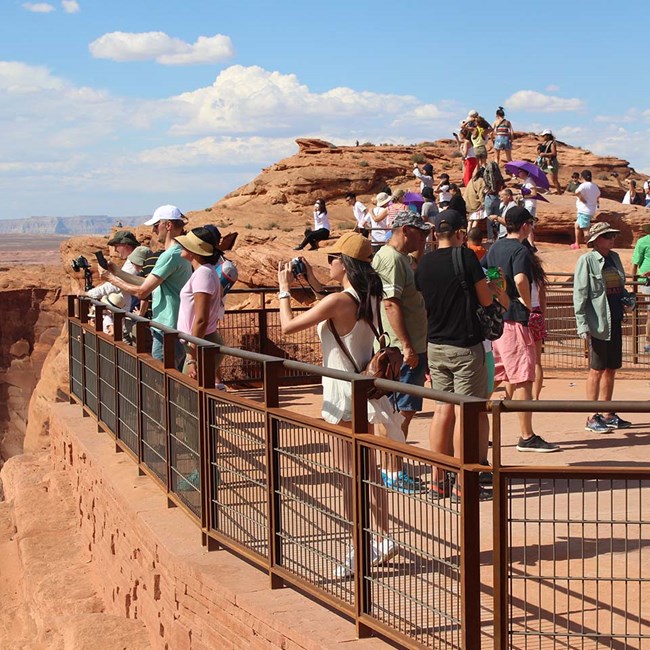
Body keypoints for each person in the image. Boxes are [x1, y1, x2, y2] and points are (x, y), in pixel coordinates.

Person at [277, 232, 403, 577]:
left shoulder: (340, 301)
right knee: (369, 470)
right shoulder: (369, 294)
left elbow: (287, 327)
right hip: (363, 391)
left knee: (349, 476)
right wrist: (314, 283)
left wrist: (283, 289)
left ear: (344, 264)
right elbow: (332, 306)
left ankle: (357, 549)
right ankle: (383, 536)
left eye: (333, 257)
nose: (328, 262)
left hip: (341, 395)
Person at [416, 209, 499, 500]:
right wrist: (495, 286)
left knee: (442, 410)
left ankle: (439, 481)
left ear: (436, 234)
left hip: (435, 345)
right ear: (461, 233)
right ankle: (465, 484)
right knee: (467, 412)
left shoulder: (423, 263)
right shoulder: (465, 258)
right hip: (465, 345)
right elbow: (485, 299)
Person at [483, 206, 560, 453]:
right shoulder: (520, 250)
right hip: (515, 320)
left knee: (493, 377)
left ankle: (479, 431)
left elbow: (488, 273)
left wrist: (499, 296)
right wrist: (525, 303)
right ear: (525, 225)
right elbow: (520, 279)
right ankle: (526, 436)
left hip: (497, 321)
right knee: (524, 378)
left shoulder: (495, 247)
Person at [372, 211, 430, 492]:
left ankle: (388, 468)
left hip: (405, 347)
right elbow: (391, 304)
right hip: (402, 350)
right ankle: (392, 471)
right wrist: (407, 345)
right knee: (401, 412)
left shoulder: (399, 259)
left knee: (395, 411)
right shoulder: (393, 259)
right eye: (421, 233)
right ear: (406, 230)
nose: (425, 238)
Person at [99, 205, 192, 369]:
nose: (155, 231)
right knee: (171, 376)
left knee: (163, 378)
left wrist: (111, 279)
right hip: (171, 324)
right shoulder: (178, 252)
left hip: (168, 326)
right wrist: (117, 272)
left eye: (156, 226)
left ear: (168, 225)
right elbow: (147, 282)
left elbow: (142, 292)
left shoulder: (170, 255)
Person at [574, 222, 634, 432]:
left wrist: (628, 299)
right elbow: (580, 293)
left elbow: (620, 286)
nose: (611, 239)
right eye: (607, 236)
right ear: (597, 240)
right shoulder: (587, 260)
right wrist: (581, 323)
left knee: (611, 368)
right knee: (596, 369)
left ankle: (607, 412)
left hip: (615, 319)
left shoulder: (614, 258)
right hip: (598, 322)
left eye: (612, 235)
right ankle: (592, 416)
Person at [174, 227, 224, 381]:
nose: (182, 247)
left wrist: (191, 358)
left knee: (186, 397)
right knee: (192, 397)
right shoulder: (205, 272)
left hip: (202, 344)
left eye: (186, 244)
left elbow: (201, 318)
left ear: (194, 250)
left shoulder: (203, 274)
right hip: (201, 342)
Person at [85, 230, 139, 307]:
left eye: (117, 246)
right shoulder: (131, 261)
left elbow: (117, 285)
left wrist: (89, 294)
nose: (115, 250)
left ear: (126, 244)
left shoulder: (134, 262)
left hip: (133, 310)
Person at [527, 248, 548, 399]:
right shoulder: (538, 276)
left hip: (523, 314)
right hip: (537, 314)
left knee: (517, 359)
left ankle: (509, 396)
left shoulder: (521, 274)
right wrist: (542, 317)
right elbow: (542, 299)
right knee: (537, 361)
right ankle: (536, 397)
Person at [571, 170, 601, 250]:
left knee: (585, 229)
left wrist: (582, 199)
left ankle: (590, 246)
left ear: (582, 177)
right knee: (577, 225)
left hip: (584, 210)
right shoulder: (594, 186)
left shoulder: (583, 185)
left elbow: (576, 192)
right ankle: (577, 243)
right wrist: (595, 202)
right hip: (590, 210)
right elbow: (598, 196)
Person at [632, 224, 650, 353]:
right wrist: (634, 282)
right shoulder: (643, 242)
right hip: (647, 281)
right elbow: (635, 262)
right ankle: (648, 342)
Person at [539, 129, 563, 194]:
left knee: (554, 180)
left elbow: (554, 153)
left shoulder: (552, 143)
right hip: (545, 163)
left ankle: (560, 194)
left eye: (544, 136)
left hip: (551, 163)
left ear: (548, 136)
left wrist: (544, 154)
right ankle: (546, 190)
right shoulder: (545, 143)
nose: (543, 137)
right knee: (540, 176)